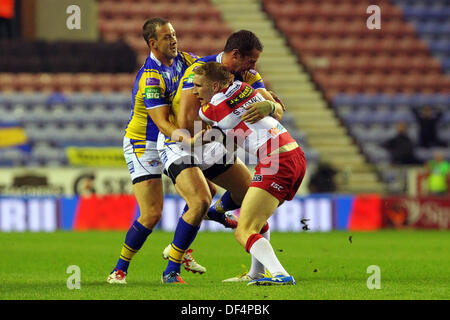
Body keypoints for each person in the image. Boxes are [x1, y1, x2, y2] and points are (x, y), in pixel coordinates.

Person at [159, 30, 286, 284]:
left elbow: (276, 112)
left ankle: (220, 216)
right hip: (183, 142)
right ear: (236, 55)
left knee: (249, 195)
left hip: (213, 140)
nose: (254, 67)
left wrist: (270, 106)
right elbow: (185, 122)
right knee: (199, 201)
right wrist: (223, 125)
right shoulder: (201, 71)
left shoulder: (248, 76)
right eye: (251, 61)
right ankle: (171, 271)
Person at [107, 18, 213, 284]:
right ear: (152, 43)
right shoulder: (150, 77)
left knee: (204, 196)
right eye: (167, 37)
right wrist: (188, 141)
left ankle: (179, 253)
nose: (174, 40)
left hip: (172, 142)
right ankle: (119, 269)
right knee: (152, 214)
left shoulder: (187, 62)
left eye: (174, 34)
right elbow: (162, 123)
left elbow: (214, 67)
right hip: (144, 144)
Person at [193, 61, 306, 285]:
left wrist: (196, 139)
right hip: (295, 154)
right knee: (255, 219)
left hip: (277, 160)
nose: (195, 91)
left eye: (198, 85)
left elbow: (210, 117)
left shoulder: (212, 108)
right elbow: (245, 123)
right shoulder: (243, 88)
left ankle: (281, 275)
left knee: (243, 230)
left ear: (214, 86)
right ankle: (256, 273)